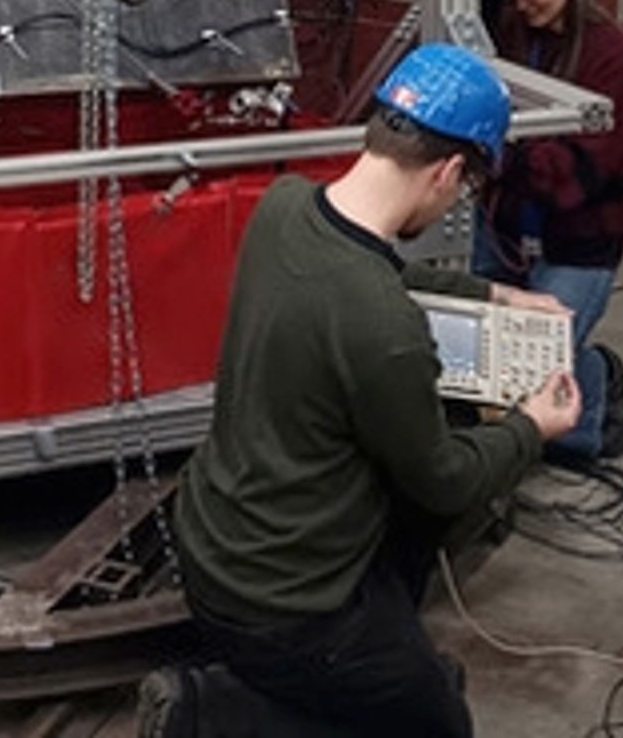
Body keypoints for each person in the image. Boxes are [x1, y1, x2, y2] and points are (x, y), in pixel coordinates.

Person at [139, 44, 583, 738]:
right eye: (463, 190)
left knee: (406, 620)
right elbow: (446, 479)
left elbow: (372, 274)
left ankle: (377, 673)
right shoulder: (384, 327)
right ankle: (206, 713)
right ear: (448, 173)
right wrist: (531, 426)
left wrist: (494, 293)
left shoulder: (283, 208)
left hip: (212, 538)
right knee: (438, 723)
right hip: (287, 604)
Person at [477, 0, 623, 460]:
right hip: (506, 219)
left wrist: (505, 155)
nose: (523, 5)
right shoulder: (511, 29)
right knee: (477, 343)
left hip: (579, 236)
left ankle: (595, 392)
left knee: (541, 366)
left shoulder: (615, 55)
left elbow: (587, 166)